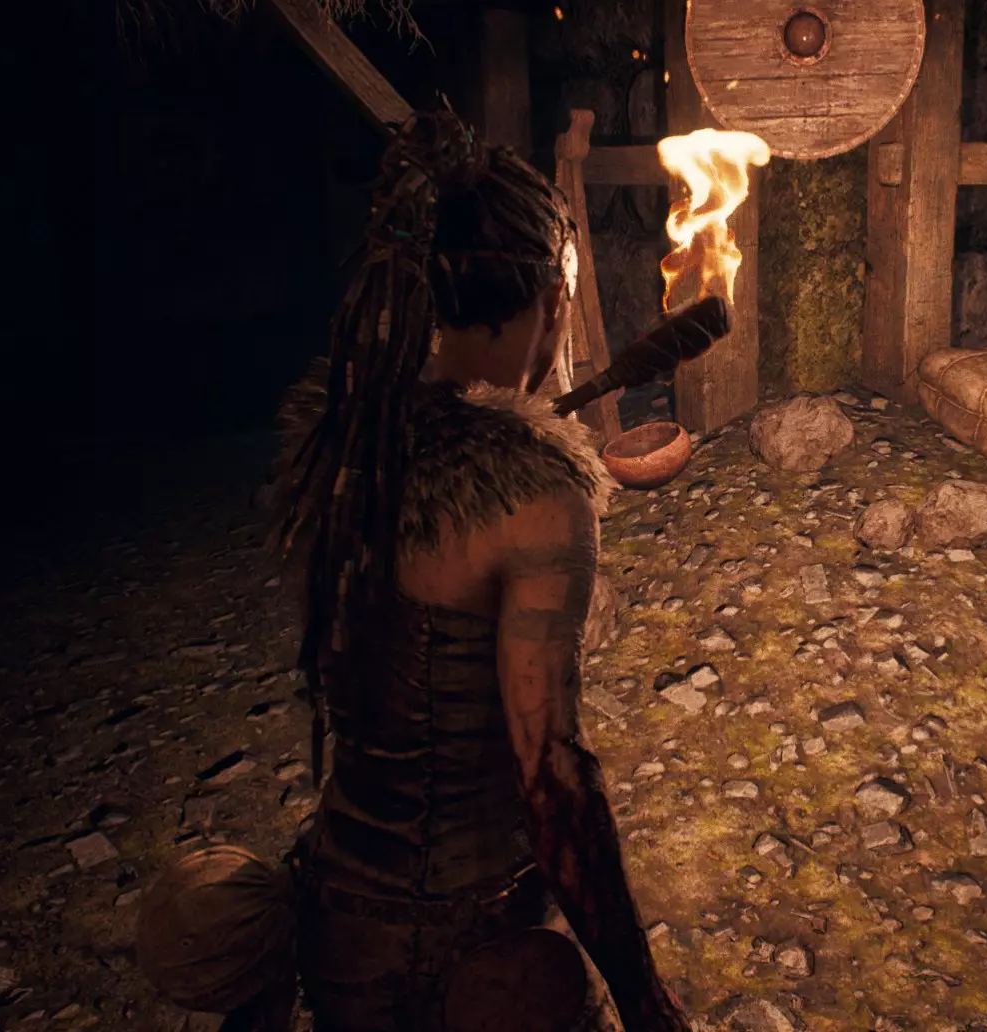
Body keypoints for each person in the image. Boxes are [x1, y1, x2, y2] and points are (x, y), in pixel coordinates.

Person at [269, 110, 688, 1032]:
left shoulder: (343, 441)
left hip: (333, 917)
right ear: (549, 298)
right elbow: (553, 778)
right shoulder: (531, 494)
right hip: (467, 948)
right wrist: (647, 1002)